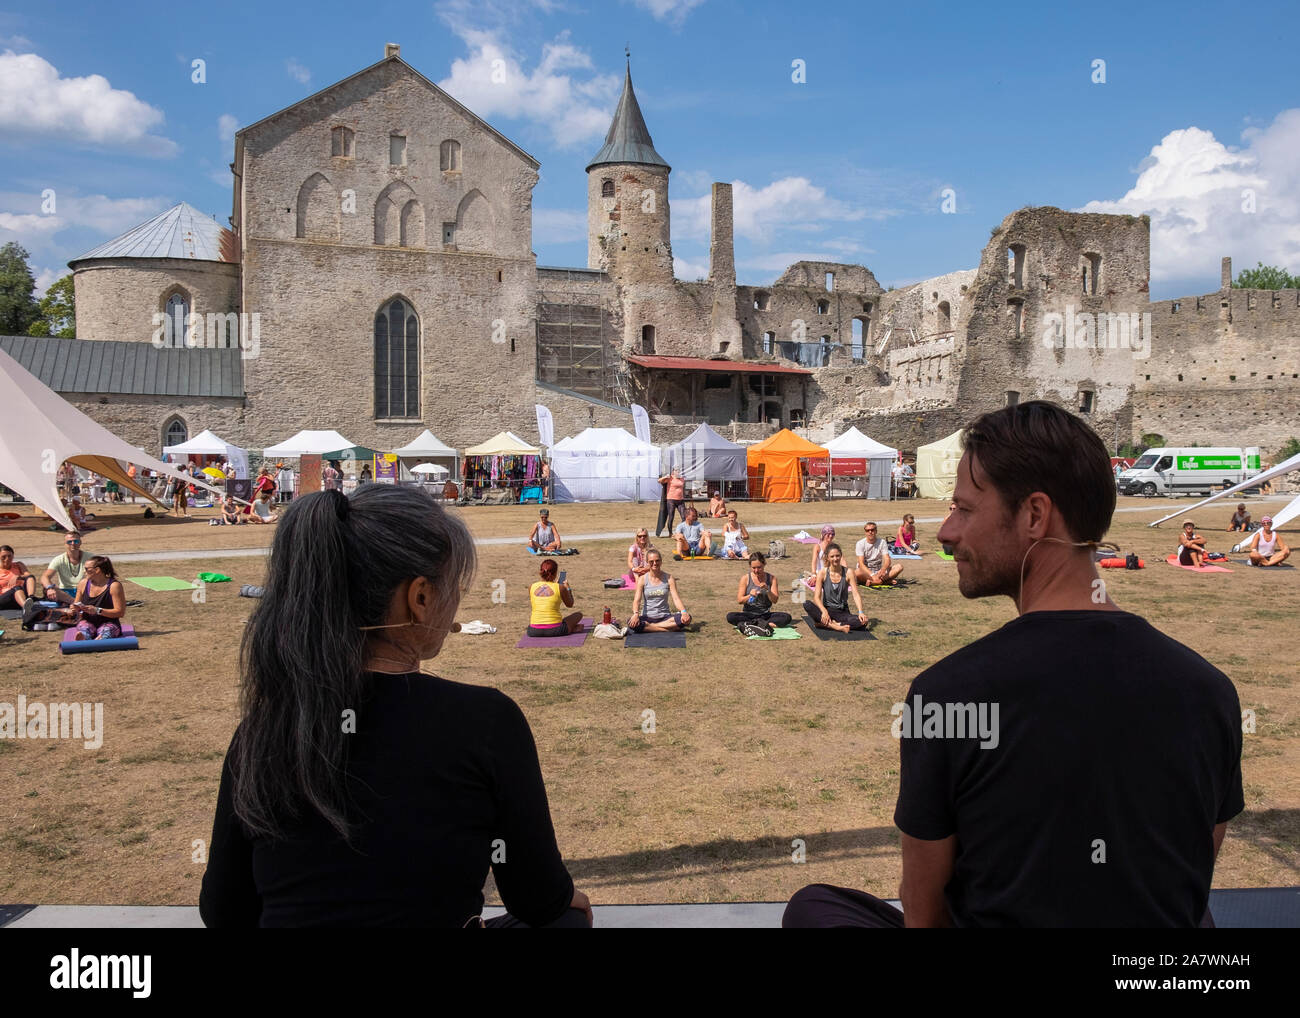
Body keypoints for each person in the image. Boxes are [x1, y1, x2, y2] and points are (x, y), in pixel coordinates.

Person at [784, 400, 1243, 928]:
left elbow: (924, 912)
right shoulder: (1210, 691)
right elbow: (1192, 879)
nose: (946, 531)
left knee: (813, 908)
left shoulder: (949, 696)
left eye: (964, 509)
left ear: (1033, 515)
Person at [198, 486, 592, 927]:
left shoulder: (264, 728)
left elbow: (224, 910)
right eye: (455, 585)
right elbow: (538, 898)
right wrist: (568, 901)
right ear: (420, 597)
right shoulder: (486, 722)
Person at [803, 543, 870, 632]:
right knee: (807, 604)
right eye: (832, 556)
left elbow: (856, 594)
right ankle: (836, 627)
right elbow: (816, 598)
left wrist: (861, 612)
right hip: (827, 611)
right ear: (827, 557)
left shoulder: (849, 572)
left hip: (843, 612)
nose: (835, 559)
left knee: (863, 622)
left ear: (841, 556)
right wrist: (824, 611)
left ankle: (828, 624)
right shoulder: (822, 573)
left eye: (837, 556)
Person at [61, 555, 126, 641]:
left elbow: (120, 612)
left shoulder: (114, 586)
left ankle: (102, 637)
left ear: (97, 570)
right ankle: (85, 636)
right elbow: (76, 605)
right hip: (88, 621)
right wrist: (75, 608)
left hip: (109, 622)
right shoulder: (83, 583)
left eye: (87, 569)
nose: (84, 572)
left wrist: (97, 610)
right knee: (84, 628)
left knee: (107, 630)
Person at [725, 552, 792, 631]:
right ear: (750, 566)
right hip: (748, 614)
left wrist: (767, 590)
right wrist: (750, 595)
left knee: (786, 617)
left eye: (759, 567)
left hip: (765, 614)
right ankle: (764, 624)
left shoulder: (772, 578)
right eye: (753, 568)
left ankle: (753, 624)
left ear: (764, 564)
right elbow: (740, 600)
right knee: (730, 616)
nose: (756, 570)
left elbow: (775, 600)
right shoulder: (745, 578)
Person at [628, 549, 691, 633]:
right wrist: (636, 614)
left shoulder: (669, 578)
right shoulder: (642, 579)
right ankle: (668, 628)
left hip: (665, 617)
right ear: (647, 562)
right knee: (631, 622)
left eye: (657, 560)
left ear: (661, 561)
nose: (655, 563)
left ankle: (651, 628)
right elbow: (637, 600)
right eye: (651, 561)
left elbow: (676, 599)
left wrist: (683, 612)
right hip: (648, 617)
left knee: (687, 618)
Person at [526, 559, 583, 637]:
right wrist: (568, 589)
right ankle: (572, 628)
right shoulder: (560, 587)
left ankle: (571, 628)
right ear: (556, 573)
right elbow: (570, 604)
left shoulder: (531, 587)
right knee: (578, 615)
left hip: (533, 631)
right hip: (556, 629)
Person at [40, 532, 90, 604]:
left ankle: (76, 604)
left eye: (76, 541)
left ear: (80, 542)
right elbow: (45, 577)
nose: (73, 543)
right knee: (47, 588)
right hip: (65, 592)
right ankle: (77, 604)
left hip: (85, 590)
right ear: (65, 544)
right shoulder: (58, 559)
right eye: (69, 542)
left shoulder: (91, 558)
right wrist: (50, 588)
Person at [0, 545, 37, 610]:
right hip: (5, 597)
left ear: (13, 556)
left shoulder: (18, 565)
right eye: (3, 557)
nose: (7, 559)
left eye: (9, 556)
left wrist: (18, 576)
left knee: (30, 577)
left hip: (21, 594)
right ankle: (26, 608)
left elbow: (28, 575)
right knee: (16, 588)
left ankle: (31, 598)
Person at [658, 467, 688, 536]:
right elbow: (659, 481)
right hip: (671, 499)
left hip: (680, 500)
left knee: (684, 517)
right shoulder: (670, 478)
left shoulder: (682, 478)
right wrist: (665, 476)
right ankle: (670, 533)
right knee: (671, 516)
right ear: (673, 471)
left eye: (679, 470)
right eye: (676, 470)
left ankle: (681, 532)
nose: (678, 471)